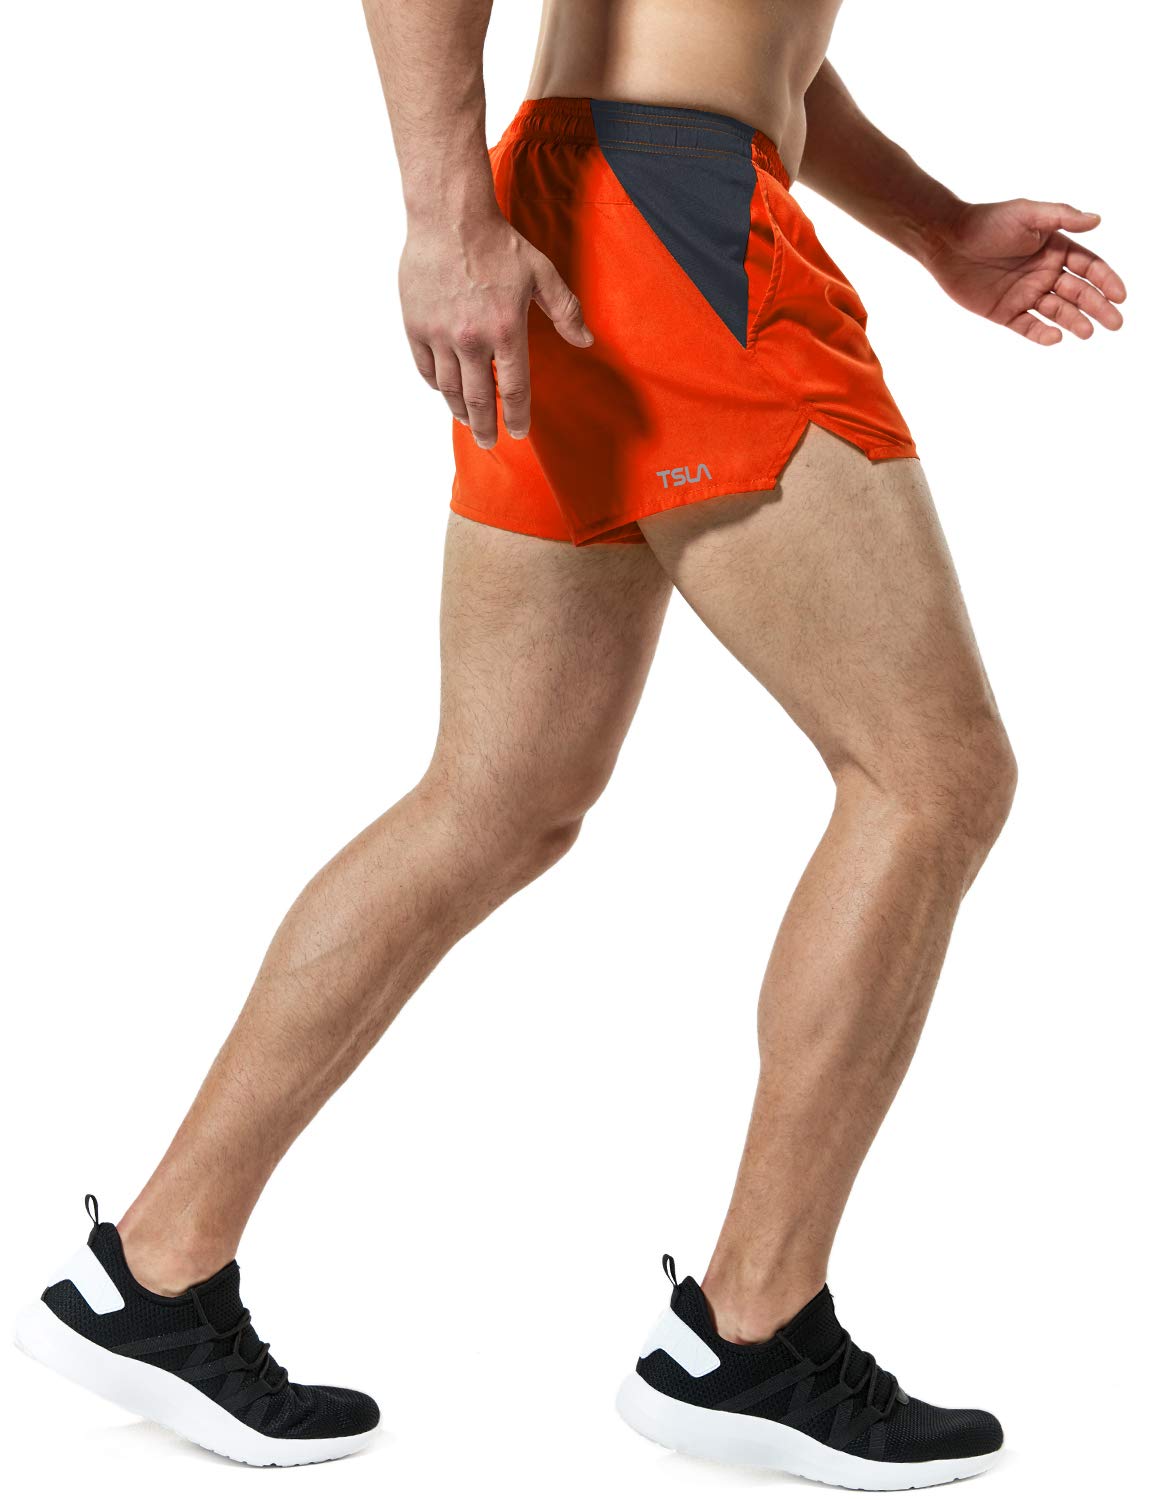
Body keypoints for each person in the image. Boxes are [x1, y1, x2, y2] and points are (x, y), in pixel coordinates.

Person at [16, 0, 1126, 1484]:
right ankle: (749, 1331)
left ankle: (150, 1275)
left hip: (606, 196)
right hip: (666, 215)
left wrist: (932, 223)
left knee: (501, 796)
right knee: (931, 775)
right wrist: (441, 221)